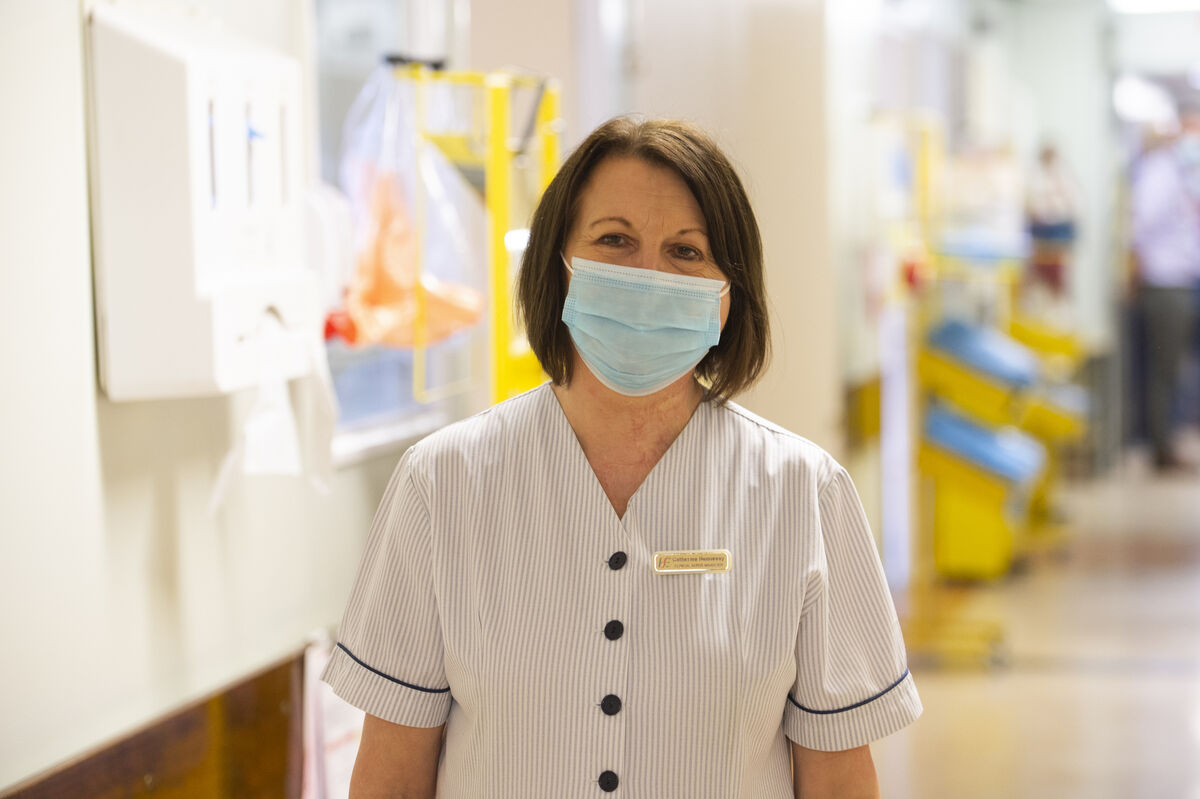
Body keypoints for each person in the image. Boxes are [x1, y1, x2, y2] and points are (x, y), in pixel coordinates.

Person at [321, 117, 922, 798]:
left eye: (686, 252)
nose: (648, 275)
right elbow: (392, 774)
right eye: (614, 240)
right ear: (560, 266)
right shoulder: (444, 483)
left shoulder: (803, 494)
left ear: (728, 296)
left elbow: (839, 777)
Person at [1130, 120, 1200, 471]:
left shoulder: (1176, 172)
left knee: (1174, 368)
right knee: (1166, 369)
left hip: (1180, 279)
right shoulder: (1159, 172)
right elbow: (1144, 224)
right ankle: (1161, 447)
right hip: (1166, 280)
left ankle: (1168, 441)